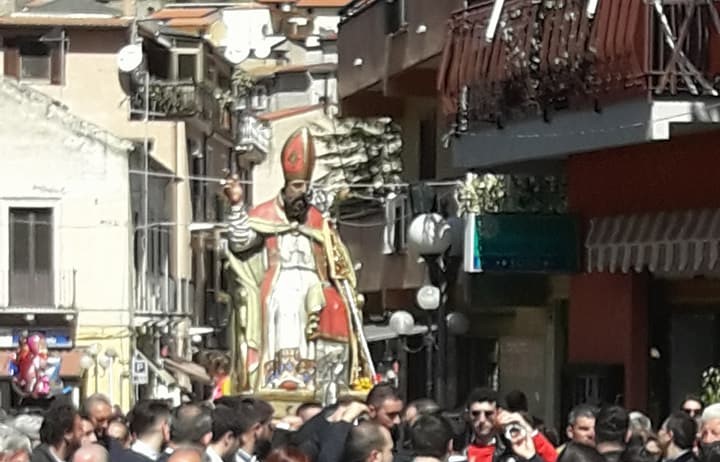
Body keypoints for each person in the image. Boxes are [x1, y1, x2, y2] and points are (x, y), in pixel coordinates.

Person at [224, 127, 369, 393]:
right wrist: (236, 205)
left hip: (316, 281)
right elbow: (240, 241)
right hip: (281, 278)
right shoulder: (265, 213)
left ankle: (325, 377)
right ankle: (286, 373)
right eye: (297, 186)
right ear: (287, 185)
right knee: (289, 305)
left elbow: (335, 255)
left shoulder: (317, 219)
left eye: (306, 187)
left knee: (334, 305)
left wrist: (340, 281)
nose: (302, 193)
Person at [464, 388, 557, 462]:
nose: (482, 420)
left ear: (498, 413)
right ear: (468, 415)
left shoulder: (515, 447)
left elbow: (554, 459)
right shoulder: (459, 449)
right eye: (475, 414)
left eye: (488, 414)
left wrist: (526, 427)